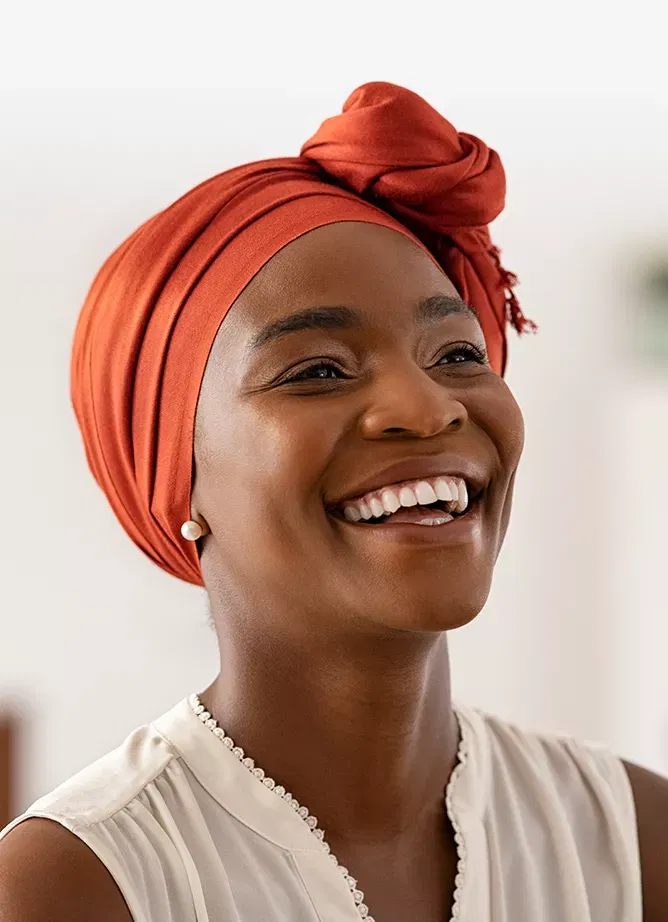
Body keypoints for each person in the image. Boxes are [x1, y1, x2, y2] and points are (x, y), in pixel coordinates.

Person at [0, 81, 666, 922]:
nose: (428, 408)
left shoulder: (634, 843)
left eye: (457, 352)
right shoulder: (76, 887)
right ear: (179, 479)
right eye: (317, 370)